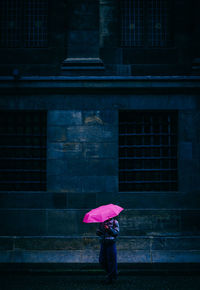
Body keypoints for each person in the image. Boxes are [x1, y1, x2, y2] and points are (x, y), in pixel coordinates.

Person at [96, 217, 120, 284]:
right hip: (103, 243)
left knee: (111, 260)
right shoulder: (101, 222)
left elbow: (116, 233)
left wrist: (109, 229)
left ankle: (110, 277)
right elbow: (98, 232)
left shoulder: (115, 222)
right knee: (102, 260)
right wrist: (98, 232)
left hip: (111, 243)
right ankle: (112, 273)